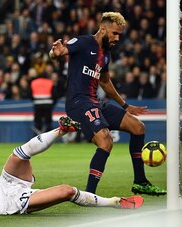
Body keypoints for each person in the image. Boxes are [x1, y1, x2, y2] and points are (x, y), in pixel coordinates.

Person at [0, 117, 143, 218]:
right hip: (9, 202)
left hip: (3, 184)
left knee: (18, 154)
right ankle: (114, 202)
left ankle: (60, 131)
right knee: (67, 191)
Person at [49, 12, 166, 195]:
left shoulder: (106, 54)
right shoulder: (83, 42)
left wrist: (125, 106)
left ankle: (140, 182)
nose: (117, 38)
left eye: (119, 34)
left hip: (94, 103)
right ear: (103, 29)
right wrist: (54, 52)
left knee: (138, 127)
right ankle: (89, 194)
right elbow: (60, 51)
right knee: (106, 141)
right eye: (114, 33)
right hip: (78, 103)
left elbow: (104, 82)